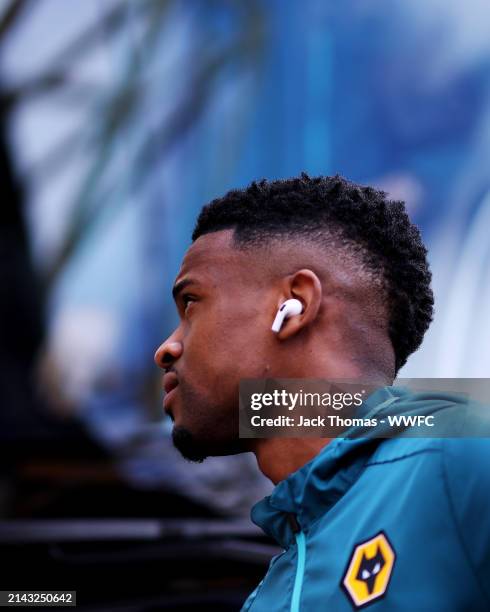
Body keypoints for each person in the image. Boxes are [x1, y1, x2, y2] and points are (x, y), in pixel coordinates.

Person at [154, 174, 490, 610]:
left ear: (293, 305)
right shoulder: (266, 598)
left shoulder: (459, 454)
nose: (167, 348)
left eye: (192, 303)